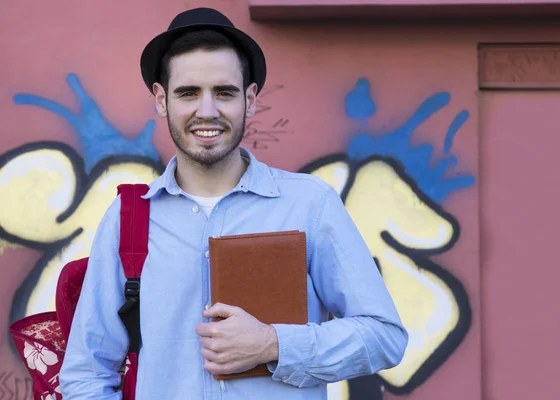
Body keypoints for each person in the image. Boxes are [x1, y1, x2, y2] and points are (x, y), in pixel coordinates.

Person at [59, 7, 408, 399]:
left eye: (224, 92)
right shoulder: (128, 219)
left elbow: (383, 336)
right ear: (161, 100)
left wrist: (273, 344)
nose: (206, 111)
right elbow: (86, 374)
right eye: (188, 92)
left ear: (251, 99)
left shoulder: (310, 205)